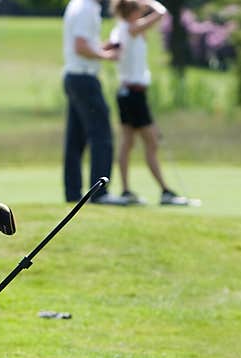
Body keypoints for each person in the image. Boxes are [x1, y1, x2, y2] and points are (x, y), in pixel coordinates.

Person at [109, 0, 194, 206]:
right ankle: (165, 191)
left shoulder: (120, 29)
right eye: (139, 9)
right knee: (152, 141)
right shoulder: (131, 28)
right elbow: (162, 12)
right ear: (132, 12)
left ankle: (126, 190)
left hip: (126, 93)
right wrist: (148, 1)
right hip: (134, 95)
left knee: (127, 143)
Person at [62, 0, 128, 205]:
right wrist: (107, 55)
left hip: (73, 77)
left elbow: (84, 44)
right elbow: (80, 46)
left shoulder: (77, 4)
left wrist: (101, 48)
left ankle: (72, 193)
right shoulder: (87, 8)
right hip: (85, 79)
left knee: (75, 139)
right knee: (102, 135)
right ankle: (99, 193)